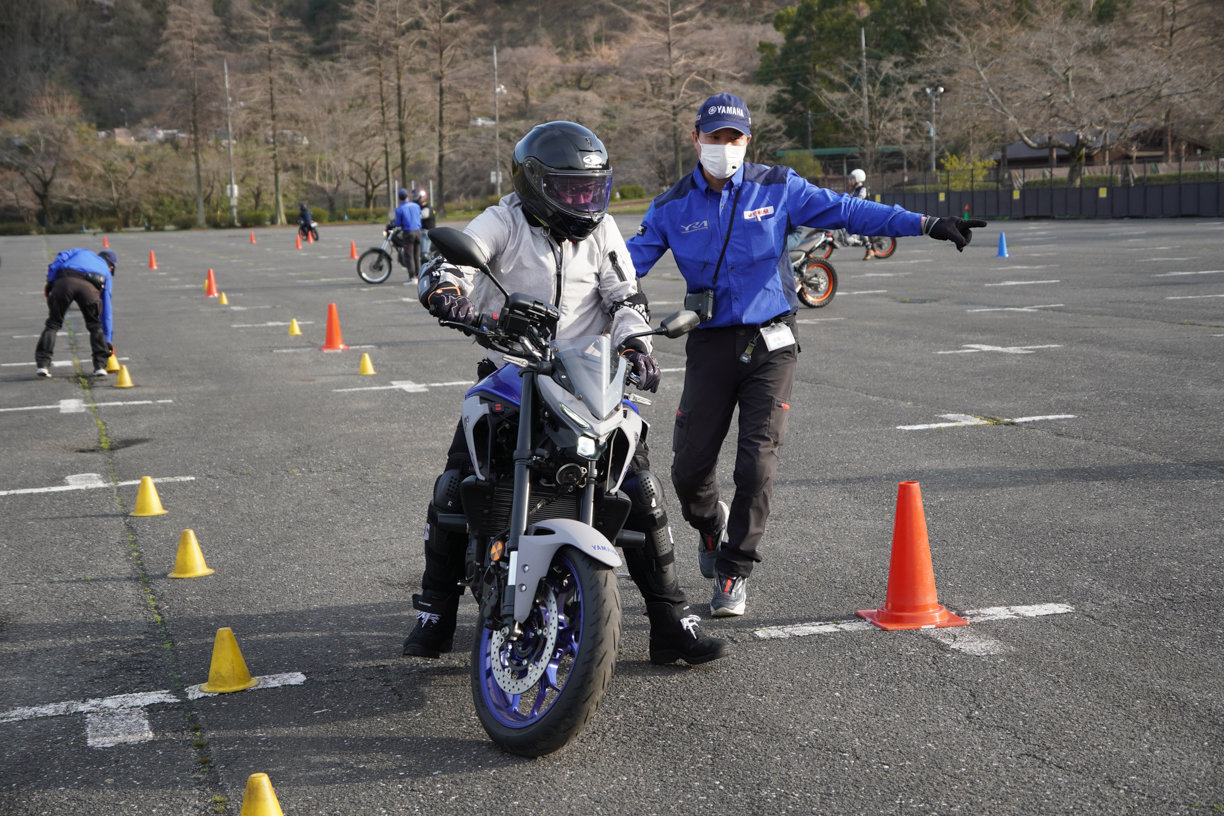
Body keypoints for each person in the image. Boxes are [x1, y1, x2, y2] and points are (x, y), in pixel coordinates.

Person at [627, 92, 986, 617]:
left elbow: (850, 210)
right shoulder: (669, 206)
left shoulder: (779, 186)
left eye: (734, 138)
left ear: (747, 140)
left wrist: (926, 223)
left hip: (771, 341)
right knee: (688, 470)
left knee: (757, 462)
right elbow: (622, 267)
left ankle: (734, 569)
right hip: (708, 342)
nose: (724, 146)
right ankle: (711, 528)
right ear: (696, 139)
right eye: (714, 137)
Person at [402, 120, 727, 666]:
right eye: (569, 188)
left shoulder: (601, 232)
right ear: (534, 183)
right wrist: (456, 299)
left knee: (640, 488)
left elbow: (626, 297)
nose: (583, 199)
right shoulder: (502, 220)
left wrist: (635, 349)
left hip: (588, 378)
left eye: (591, 188)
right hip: (513, 370)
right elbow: (449, 265)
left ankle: (670, 621)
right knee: (456, 481)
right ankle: (435, 611)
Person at [35, 248, 118, 379]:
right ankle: (100, 367)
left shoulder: (81, 251)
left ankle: (43, 365)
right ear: (112, 267)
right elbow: (106, 310)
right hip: (89, 288)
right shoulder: (106, 272)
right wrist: (107, 339)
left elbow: (60, 257)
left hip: (64, 282)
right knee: (95, 326)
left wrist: (50, 280)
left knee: (53, 324)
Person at [392, 187, 423, 282]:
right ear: (408, 196)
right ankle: (419, 276)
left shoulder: (399, 209)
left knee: (409, 256)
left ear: (399, 198)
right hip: (418, 232)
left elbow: (397, 223)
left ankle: (412, 277)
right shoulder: (416, 206)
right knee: (416, 255)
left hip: (408, 232)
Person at [413, 187, 436, 262]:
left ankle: (425, 256)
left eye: (416, 196)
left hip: (427, 232)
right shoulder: (418, 207)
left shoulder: (427, 208)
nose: (414, 198)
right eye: (414, 196)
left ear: (422, 197)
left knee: (424, 256)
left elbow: (419, 216)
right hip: (420, 231)